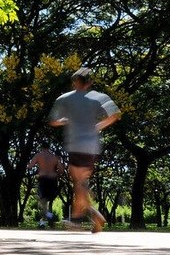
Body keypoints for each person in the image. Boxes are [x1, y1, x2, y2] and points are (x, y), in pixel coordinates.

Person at [49, 67, 121, 233]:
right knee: (80, 183)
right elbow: (116, 114)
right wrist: (99, 125)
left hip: (76, 146)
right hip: (93, 148)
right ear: (89, 82)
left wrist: (65, 120)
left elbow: (53, 121)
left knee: (79, 183)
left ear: (74, 82)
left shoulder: (64, 98)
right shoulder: (99, 97)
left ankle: (90, 216)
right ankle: (78, 219)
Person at [28, 141, 64, 229]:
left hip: (43, 179)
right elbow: (61, 170)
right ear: (49, 147)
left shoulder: (38, 155)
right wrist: (56, 174)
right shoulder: (54, 157)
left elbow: (30, 166)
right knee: (49, 202)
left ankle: (45, 220)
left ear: (42, 147)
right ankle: (46, 220)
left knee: (42, 202)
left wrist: (37, 169)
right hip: (53, 180)